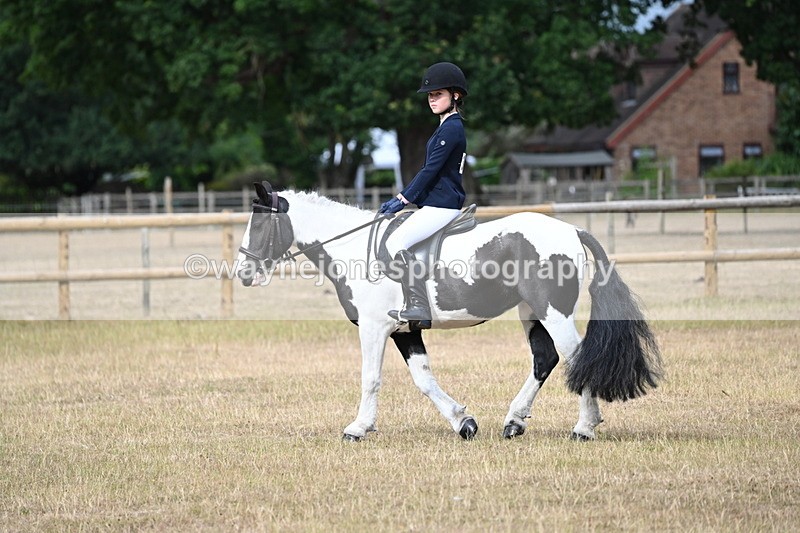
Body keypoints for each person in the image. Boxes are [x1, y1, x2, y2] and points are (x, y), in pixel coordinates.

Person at [379, 62, 468, 328]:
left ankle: (418, 306)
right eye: (430, 95)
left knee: (396, 243)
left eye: (438, 94)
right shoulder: (445, 127)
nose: (432, 99)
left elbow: (430, 170)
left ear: (455, 95)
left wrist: (403, 199)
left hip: (442, 205)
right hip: (437, 203)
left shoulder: (451, 128)